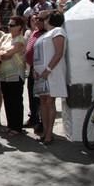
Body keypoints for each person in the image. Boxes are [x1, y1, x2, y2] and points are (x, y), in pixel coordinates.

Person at [33, 11, 67, 145]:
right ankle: (45, 132)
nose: (43, 20)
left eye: (45, 18)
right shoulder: (45, 34)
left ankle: (49, 135)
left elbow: (58, 53)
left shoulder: (58, 31)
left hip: (51, 73)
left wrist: (48, 70)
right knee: (43, 102)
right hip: (41, 74)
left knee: (49, 102)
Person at [0, 16, 26, 136]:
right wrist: (2, 54)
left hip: (16, 74)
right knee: (7, 100)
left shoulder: (20, 40)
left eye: (12, 25)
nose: (9, 27)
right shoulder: (5, 36)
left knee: (15, 101)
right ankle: (10, 125)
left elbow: (8, 53)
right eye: (9, 24)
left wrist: (2, 54)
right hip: (3, 74)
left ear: (20, 27)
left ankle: (17, 127)